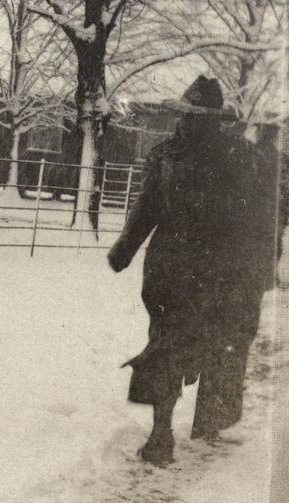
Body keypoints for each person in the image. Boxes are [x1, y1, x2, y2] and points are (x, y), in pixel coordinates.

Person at [107, 76, 275, 467]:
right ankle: (165, 431)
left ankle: (192, 424)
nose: (189, 121)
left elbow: (256, 217)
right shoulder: (177, 155)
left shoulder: (235, 157)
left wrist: (256, 264)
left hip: (203, 271)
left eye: (198, 116)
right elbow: (148, 205)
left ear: (213, 119)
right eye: (188, 114)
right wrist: (125, 249)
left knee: (196, 346)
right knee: (177, 347)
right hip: (183, 272)